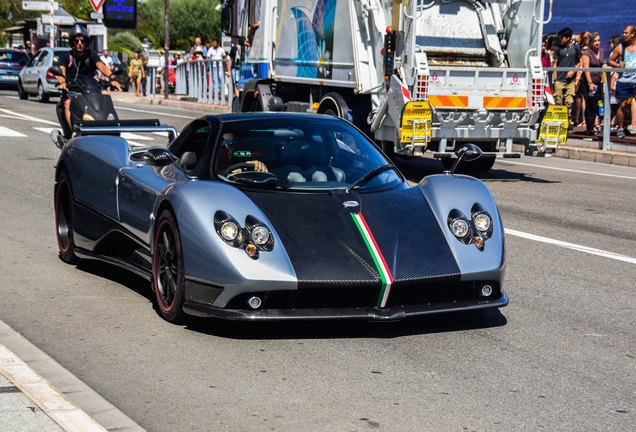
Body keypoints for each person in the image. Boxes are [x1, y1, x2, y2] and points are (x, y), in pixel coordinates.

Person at [54, 25, 121, 136]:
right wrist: (62, 82)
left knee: (104, 97)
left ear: (86, 42)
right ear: (72, 42)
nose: (79, 43)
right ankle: (72, 135)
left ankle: (108, 130)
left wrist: (112, 78)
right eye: (76, 41)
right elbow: (61, 71)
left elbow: (101, 66)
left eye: (82, 40)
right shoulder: (66, 56)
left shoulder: (91, 55)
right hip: (72, 90)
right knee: (67, 103)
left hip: (90, 89)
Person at [608, 25, 636, 138]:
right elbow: (610, 61)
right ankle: (620, 128)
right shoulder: (620, 48)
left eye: (626, 33)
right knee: (623, 105)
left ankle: (633, 126)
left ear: (633, 34)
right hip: (624, 80)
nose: (624, 35)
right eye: (624, 33)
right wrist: (618, 65)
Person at [552, 28, 581, 130]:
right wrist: (555, 77)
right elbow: (555, 63)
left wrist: (573, 71)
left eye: (562, 37)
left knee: (569, 100)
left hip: (570, 80)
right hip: (559, 79)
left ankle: (567, 119)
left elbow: (578, 62)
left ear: (568, 38)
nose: (561, 39)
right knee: (558, 99)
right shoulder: (558, 49)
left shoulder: (575, 48)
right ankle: (559, 118)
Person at [581, 32, 604, 135]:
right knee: (590, 103)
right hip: (588, 82)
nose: (597, 43)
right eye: (595, 41)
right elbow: (586, 69)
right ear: (590, 42)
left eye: (598, 40)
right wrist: (590, 83)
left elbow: (602, 66)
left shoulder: (602, 52)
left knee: (597, 104)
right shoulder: (587, 53)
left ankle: (596, 124)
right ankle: (589, 127)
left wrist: (603, 78)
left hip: (599, 81)